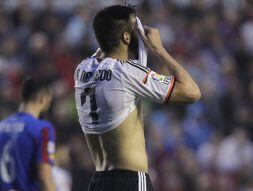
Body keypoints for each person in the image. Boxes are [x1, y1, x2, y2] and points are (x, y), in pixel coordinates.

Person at [74, 5, 201, 191]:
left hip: (98, 182)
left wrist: (125, 25)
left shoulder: (82, 70)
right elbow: (192, 92)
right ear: (126, 37)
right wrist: (159, 49)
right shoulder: (126, 73)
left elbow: (105, 47)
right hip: (130, 180)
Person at [0, 77, 56, 191]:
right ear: (42, 98)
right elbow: (44, 175)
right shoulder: (42, 129)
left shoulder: (2, 126)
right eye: (49, 101)